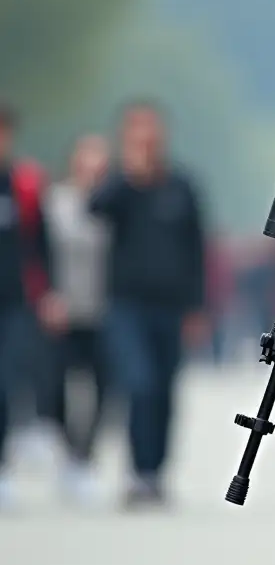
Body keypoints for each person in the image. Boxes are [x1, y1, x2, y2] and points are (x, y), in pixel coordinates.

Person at [90, 103, 207, 508]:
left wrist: (197, 307)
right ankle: (139, 470)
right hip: (127, 305)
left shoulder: (180, 186)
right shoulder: (119, 187)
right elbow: (95, 209)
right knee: (138, 383)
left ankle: (156, 470)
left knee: (164, 389)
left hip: (171, 306)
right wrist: (125, 174)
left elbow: (196, 248)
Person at [0, 104, 66, 509]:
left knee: (6, 383)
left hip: (12, 302)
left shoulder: (22, 187)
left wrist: (50, 294)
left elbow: (41, 246)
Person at [44, 134, 111, 503]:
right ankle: (67, 447)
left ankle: (85, 455)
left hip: (106, 309)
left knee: (104, 387)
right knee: (55, 385)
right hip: (63, 308)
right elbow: (41, 250)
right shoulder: (57, 201)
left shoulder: (116, 201)